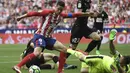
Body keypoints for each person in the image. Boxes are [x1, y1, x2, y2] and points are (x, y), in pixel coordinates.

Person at [12, 1, 97, 73]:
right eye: (58, 9)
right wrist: (21, 17)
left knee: (64, 49)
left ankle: (60, 71)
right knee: (37, 53)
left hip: (48, 38)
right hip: (40, 36)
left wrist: (88, 13)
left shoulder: (62, 15)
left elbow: (76, 14)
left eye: (61, 10)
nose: (59, 11)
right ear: (55, 7)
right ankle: (18, 66)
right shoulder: (48, 12)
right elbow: (34, 13)